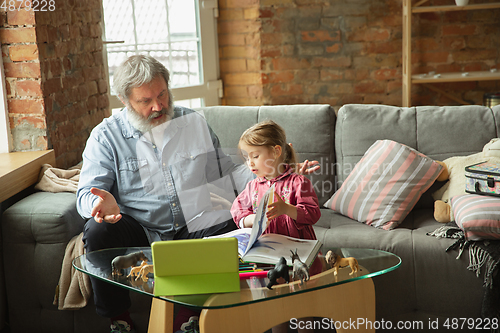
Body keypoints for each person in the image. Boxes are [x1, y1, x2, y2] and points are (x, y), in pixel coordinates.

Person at [76, 54, 320, 333]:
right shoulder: (105, 136)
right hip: (140, 227)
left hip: (193, 223)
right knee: (97, 231)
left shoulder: (193, 122)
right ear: (125, 100)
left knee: (237, 222)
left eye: (162, 94)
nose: (158, 106)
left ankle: (190, 318)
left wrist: (280, 171)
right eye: (145, 101)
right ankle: (120, 320)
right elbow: (85, 193)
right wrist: (99, 204)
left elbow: (226, 173)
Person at [230, 120, 321, 333]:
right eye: (247, 157)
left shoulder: (299, 182)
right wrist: (251, 220)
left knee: (302, 311)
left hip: (297, 259)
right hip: (267, 262)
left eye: (255, 156)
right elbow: (237, 211)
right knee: (275, 312)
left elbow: (313, 213)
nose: (250, 163)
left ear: (276, 151)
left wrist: (286, 209)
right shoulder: (252, 186)